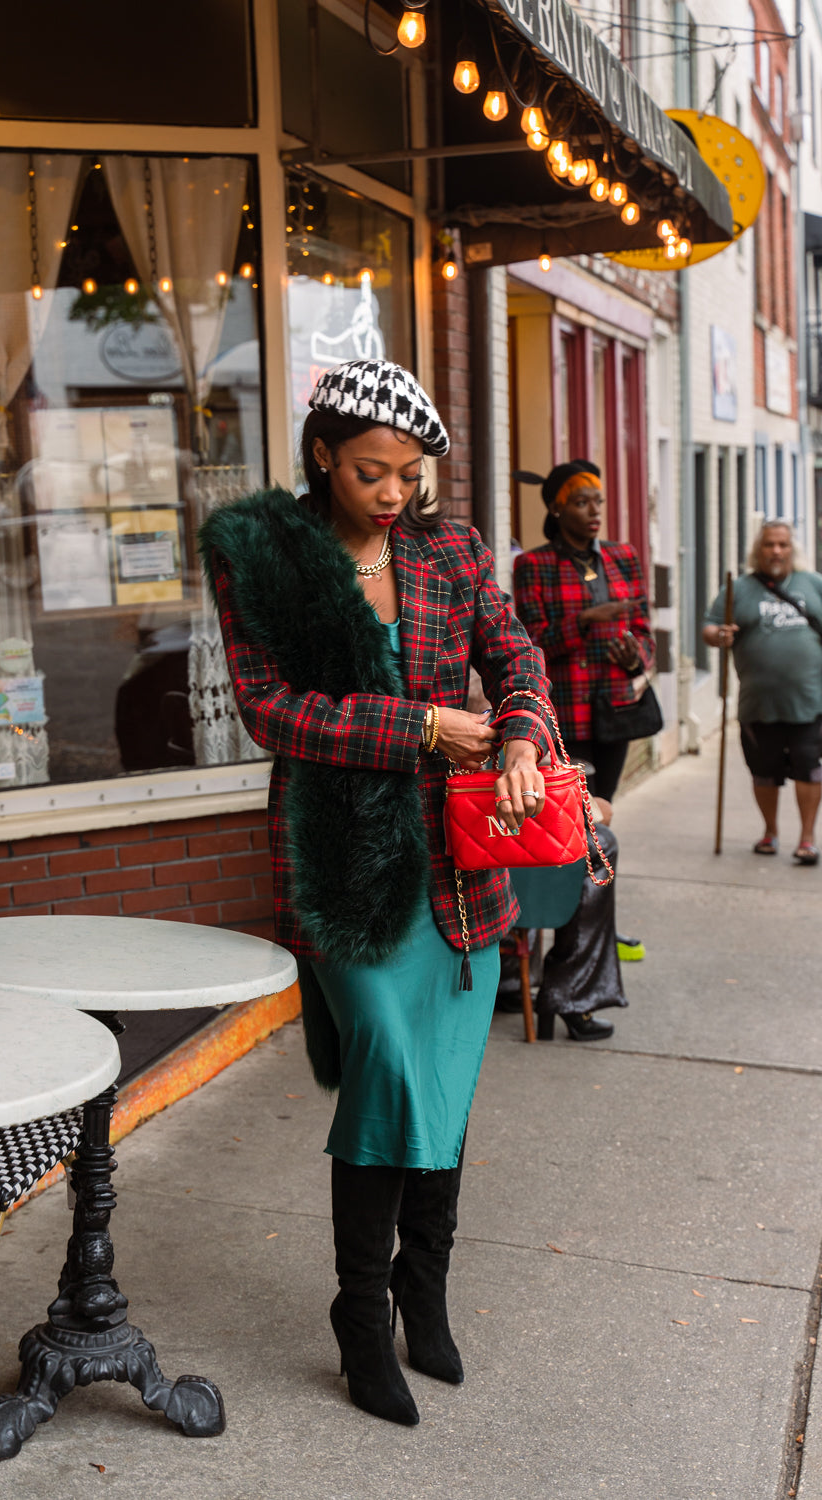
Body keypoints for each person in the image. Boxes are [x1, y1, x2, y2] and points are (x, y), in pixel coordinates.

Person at [200, 359, 555, 1428]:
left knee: (441, 1093)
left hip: (458, 864)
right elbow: (270, 710)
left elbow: (513, 650)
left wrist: (524, 735)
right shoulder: (260, 552)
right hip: (344, 864)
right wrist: (419, 727)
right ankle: (361, 1315)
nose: (393, 492)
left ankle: (423, 1291)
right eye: (370, 471)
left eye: (408, 473)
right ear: (321, 453)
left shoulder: (447, 547)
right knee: (388, 1080)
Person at [703, 520, 822, 865]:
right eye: (769, 545)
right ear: (758, 550)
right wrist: (719, 636)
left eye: (783, 545)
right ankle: (770, 831)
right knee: (763, 770)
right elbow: (709, 627)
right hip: (758, 703)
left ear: (792, 549)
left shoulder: (816, 585)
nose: (776, 551)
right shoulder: (738, 589)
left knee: (808, 767)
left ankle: (807, 838)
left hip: (809, 700)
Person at [512, 460, 656, 803]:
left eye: (598, 501)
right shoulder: (534, 565)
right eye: (581, 503)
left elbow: (644, 631)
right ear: (557, 508)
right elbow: (532, 644)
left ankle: (603, 858)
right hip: (567, 710)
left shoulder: (622, 556)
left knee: (604, 802)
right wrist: (585, 619)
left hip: (616, 706)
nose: (595, 511)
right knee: (572, 806)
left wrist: (637, 656)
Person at [496, 798, 628, 1040]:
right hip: (499, 820)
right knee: (602, 843)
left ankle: (511, 979)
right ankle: (570, 995)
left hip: (477, 820)